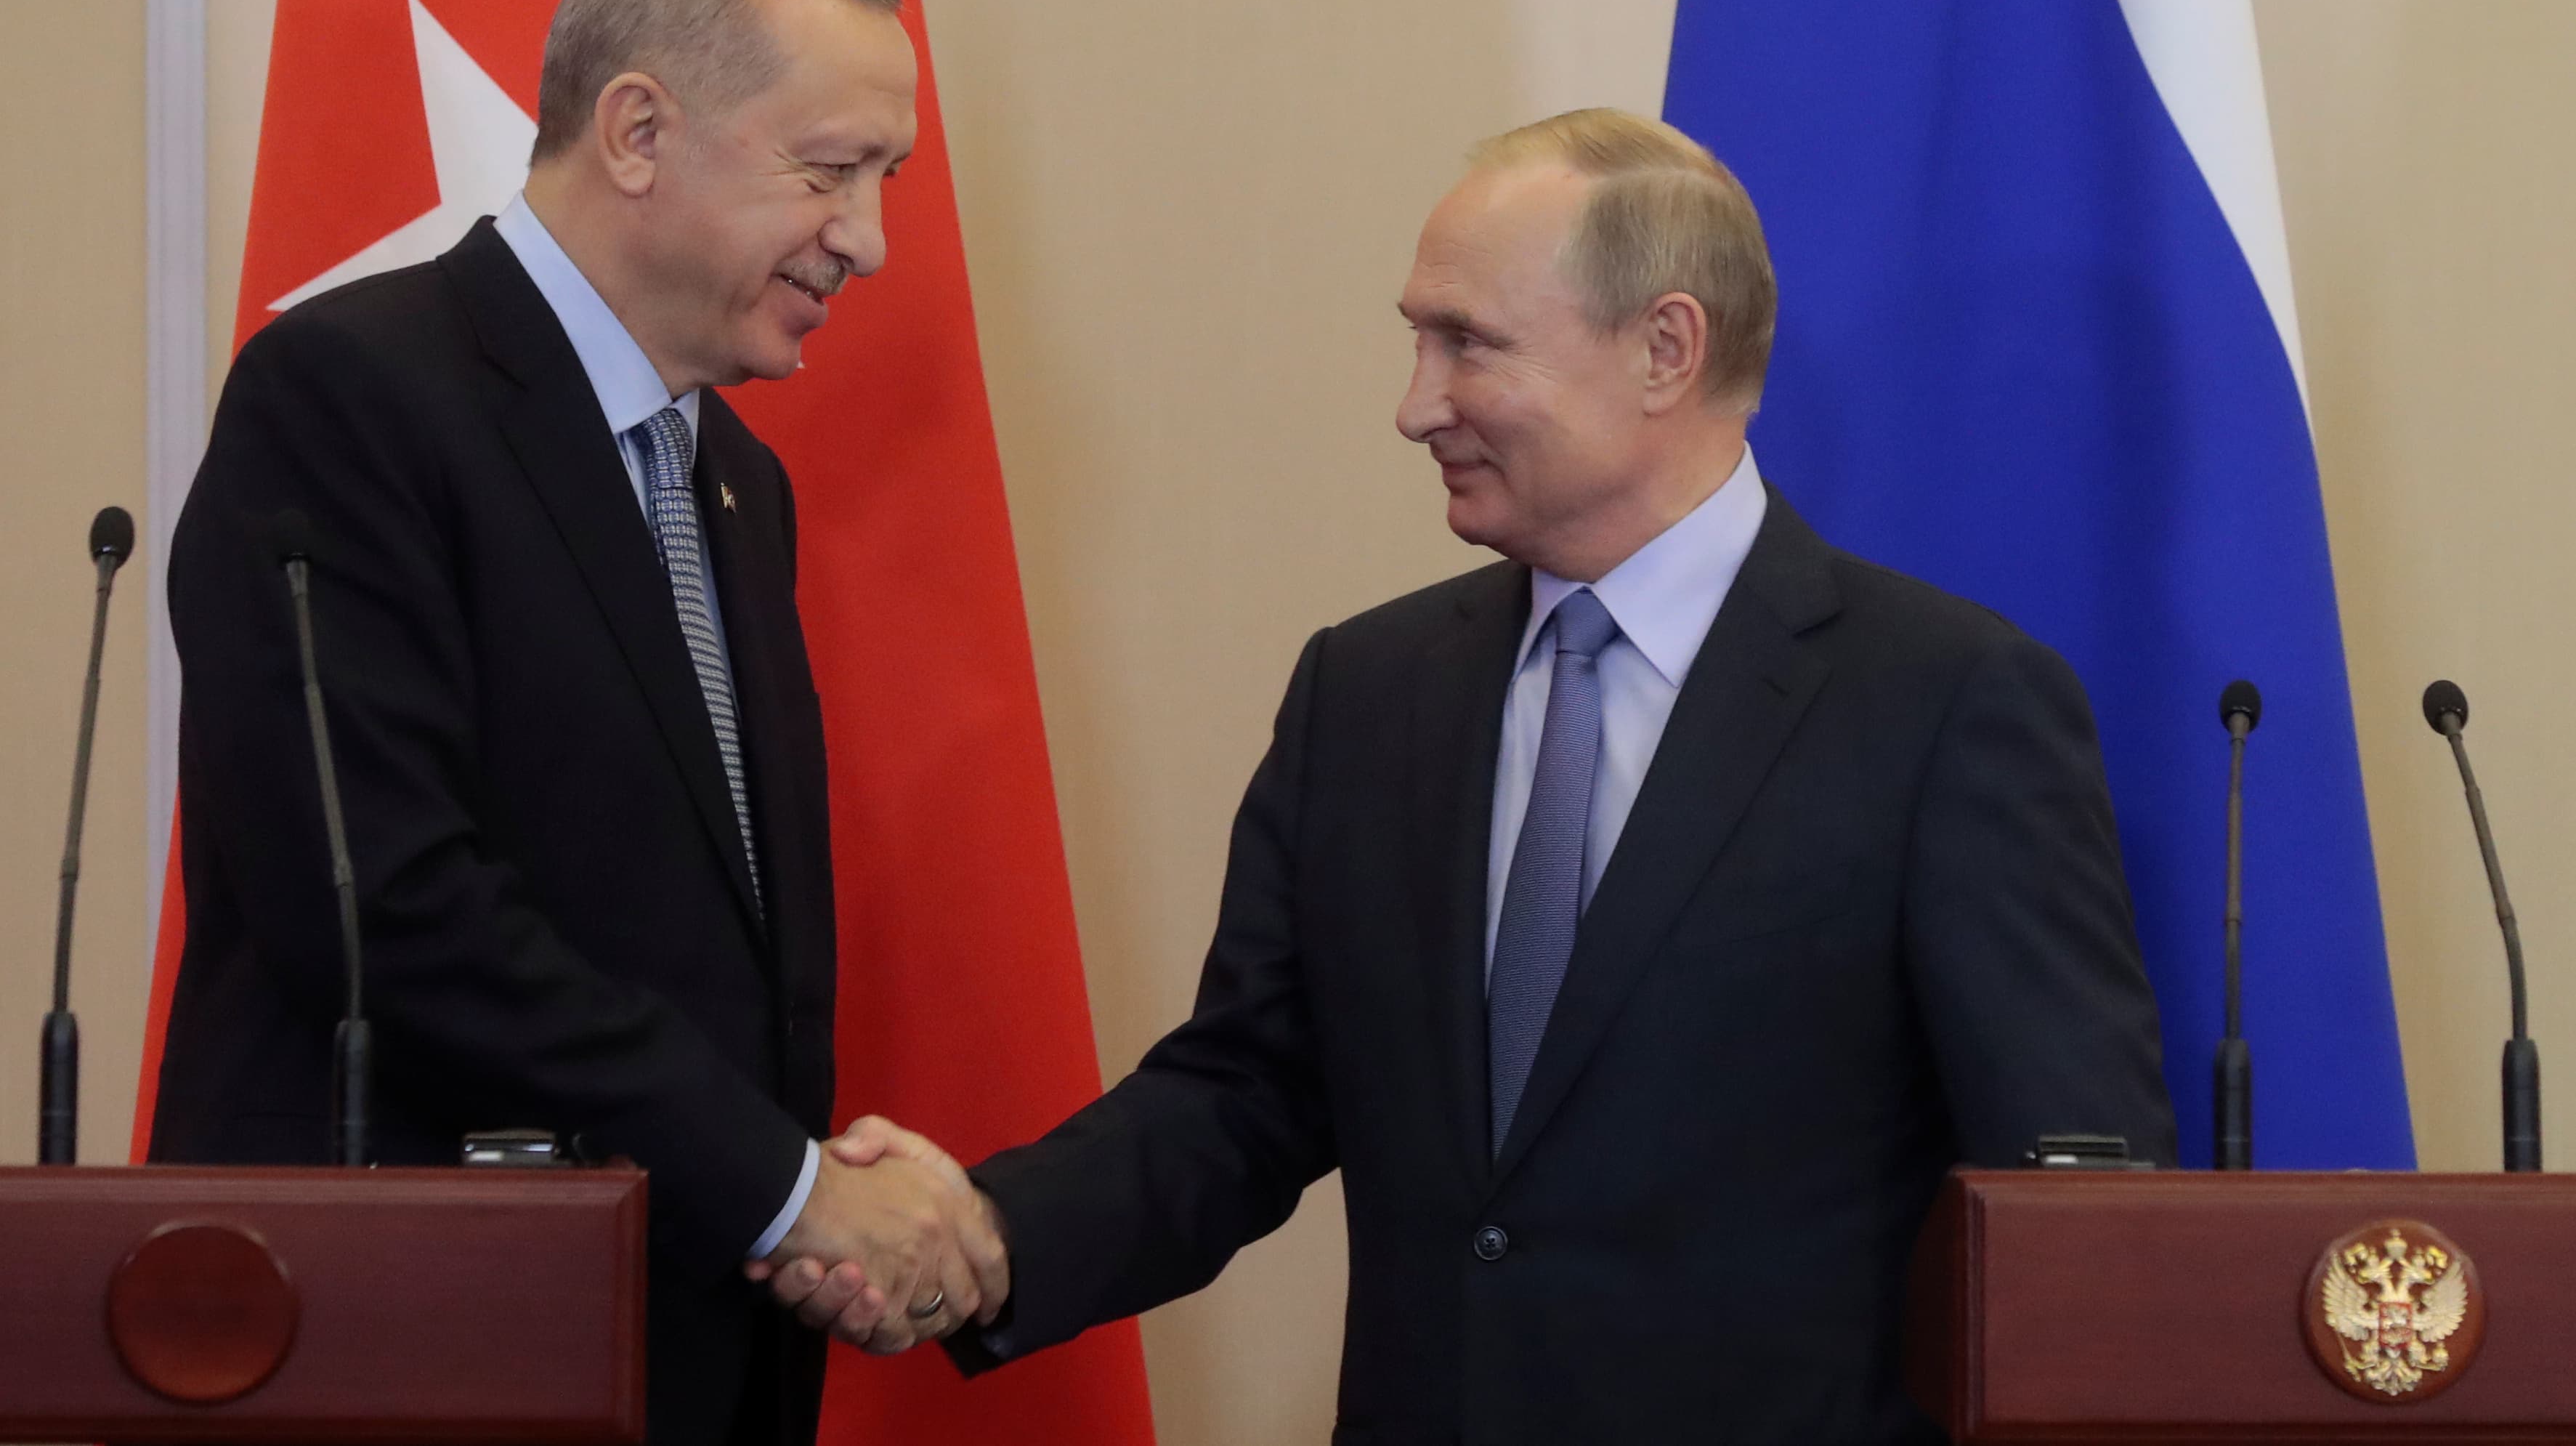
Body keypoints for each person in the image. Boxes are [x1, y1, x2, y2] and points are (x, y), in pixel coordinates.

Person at [772, 108, 2177, 1440]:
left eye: (1468, 345)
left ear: (1664, 349)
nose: (1414, 405)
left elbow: (2068, 1214)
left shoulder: (1943, 703)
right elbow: (1248, 1092)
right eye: (1417, 341)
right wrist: (990, 1235)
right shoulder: (1369, 693)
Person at [153, 0, 1000, 1446]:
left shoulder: (739, 484)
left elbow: (711, 954)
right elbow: (387, 906)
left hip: (679, 1343)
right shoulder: (350, 397)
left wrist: (799, 1194)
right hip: (407, 1348)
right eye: (830, 172)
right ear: (635, 132)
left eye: (885, 181)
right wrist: (791, 1188)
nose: (870, 241)